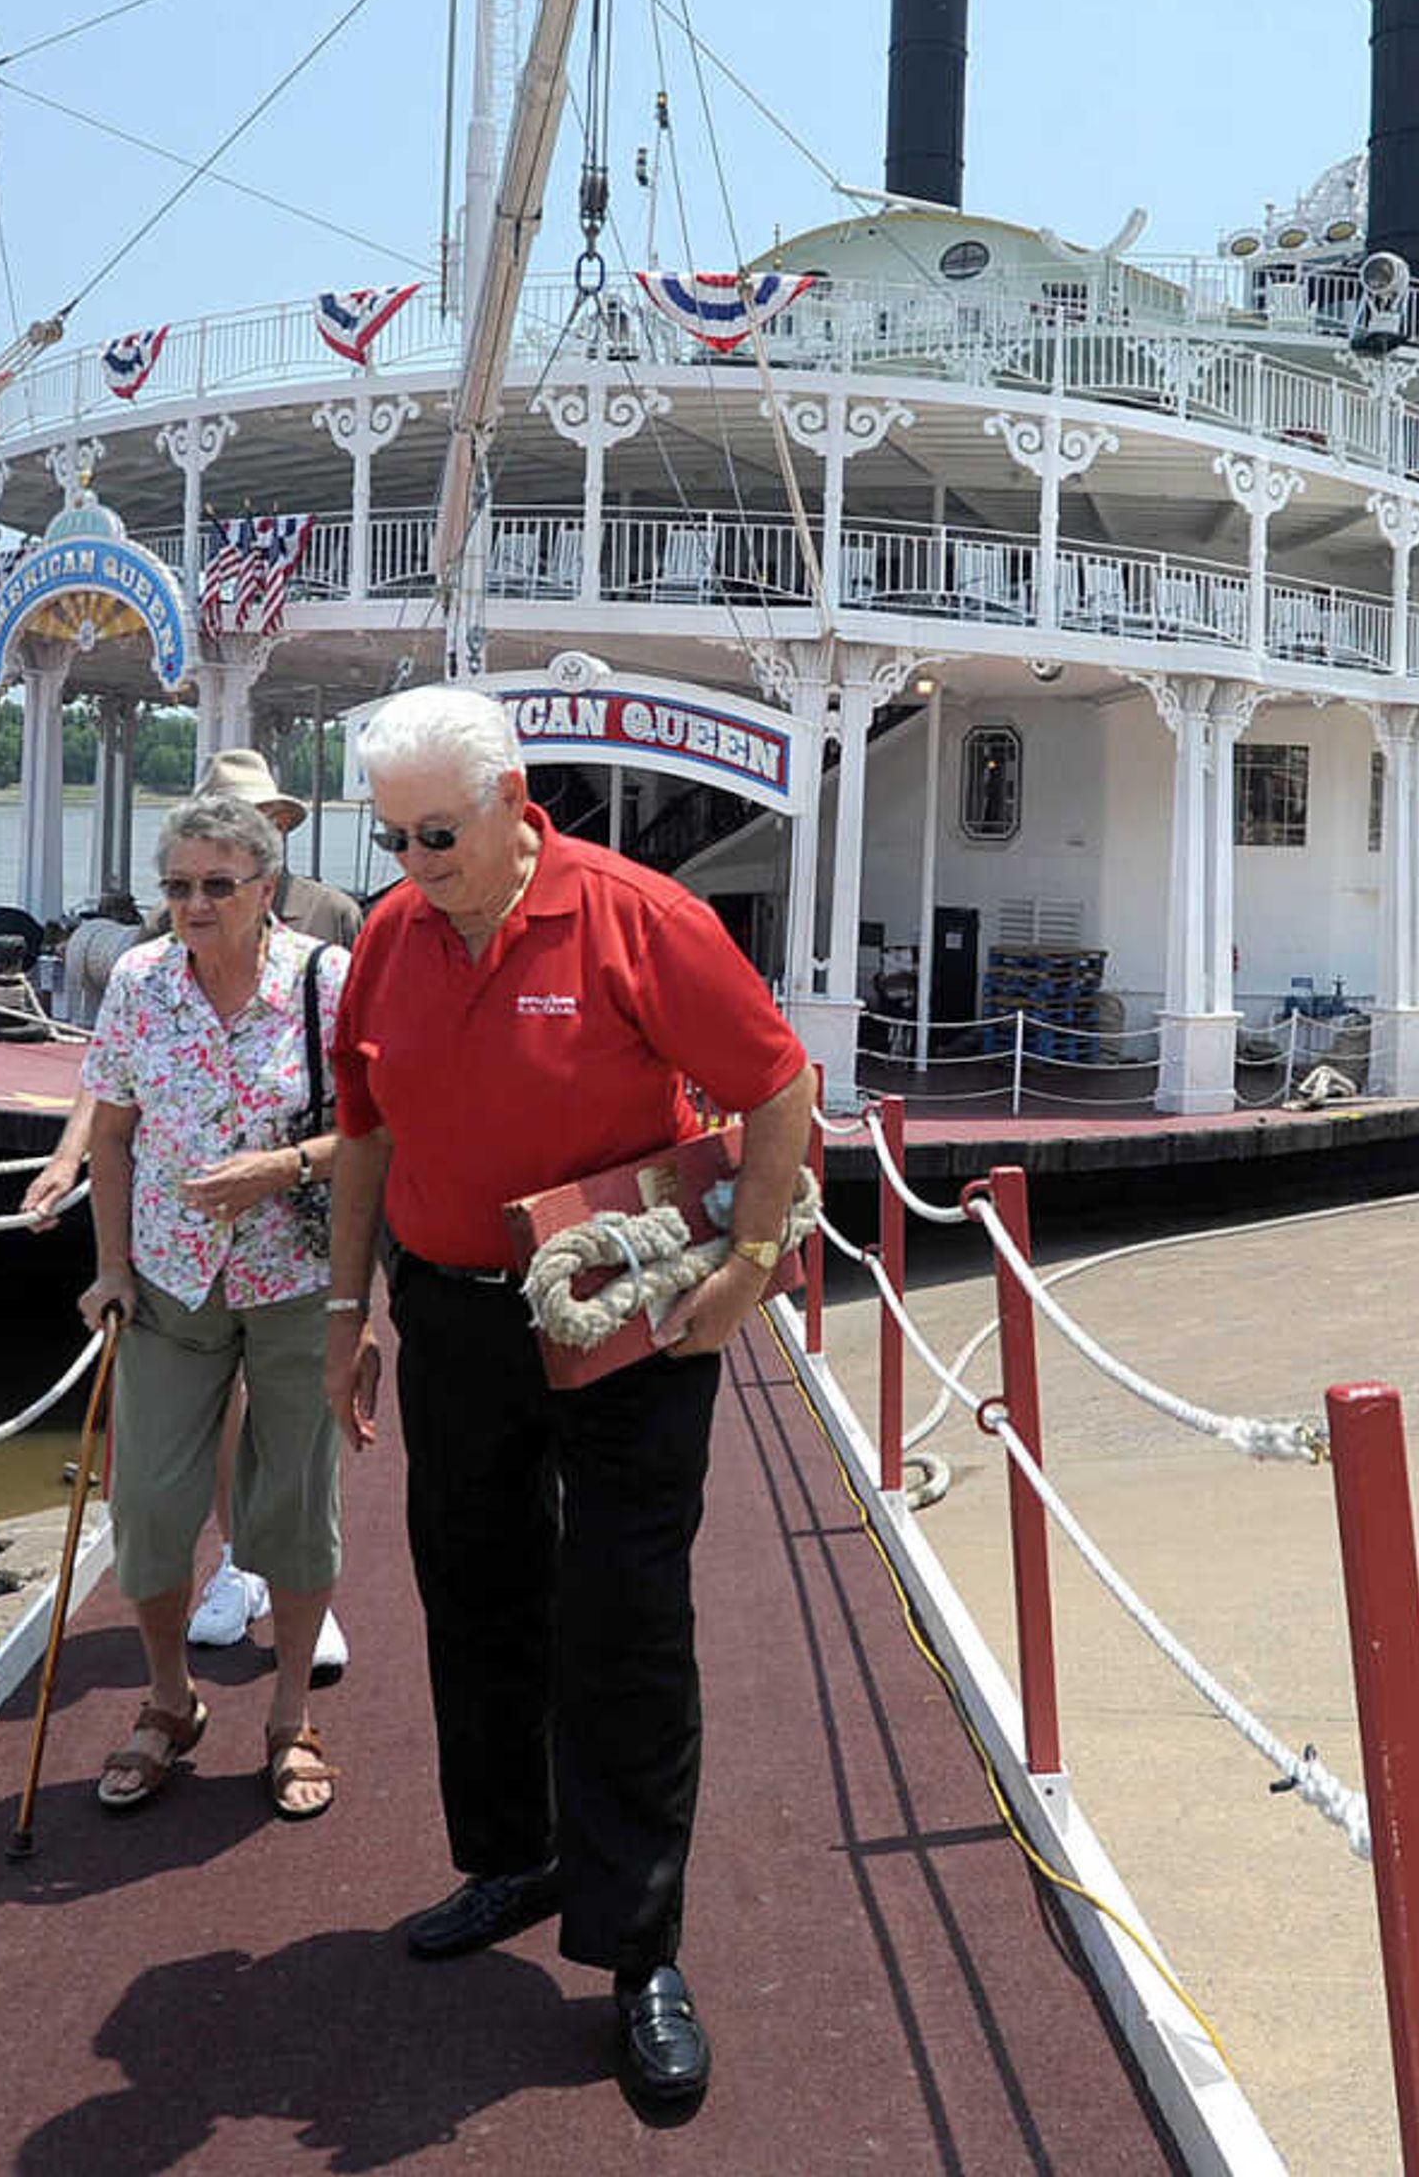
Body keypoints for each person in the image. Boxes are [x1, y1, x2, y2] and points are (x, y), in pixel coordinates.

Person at [321, 686, 815, 2116]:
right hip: (456, 1314)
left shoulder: (637, 915)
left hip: (625, 1316)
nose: (418, 865)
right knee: (473, 1595)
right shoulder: (389, 942)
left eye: (441, 835)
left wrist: (756, 1261)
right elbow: (361, 1133)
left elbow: (777, 1088)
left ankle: (638, 1947)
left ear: (513, 797)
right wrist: (354, 1316)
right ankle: (515, 1860)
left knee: (624, 1617)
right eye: (396, 837)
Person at [26, 747, 359, 1667]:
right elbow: (113, 1123)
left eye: (217, 883)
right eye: (178, 886)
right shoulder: (142, 978)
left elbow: (386, 1131)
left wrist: (281, 1169)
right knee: (147, 1499)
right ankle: (169, 1697)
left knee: (295, 1490)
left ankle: (291, 1707)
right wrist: (110, 1266)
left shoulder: (326, 971)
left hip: (294, 1268)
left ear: (265, 879)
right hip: (171, 1274)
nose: (194, 903)